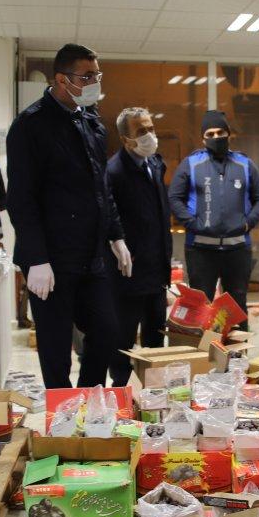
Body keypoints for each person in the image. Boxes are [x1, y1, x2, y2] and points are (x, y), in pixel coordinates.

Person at [6, 43, 133, 389]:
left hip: (91, 257)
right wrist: (36, 258)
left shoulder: (91, 122)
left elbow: (101, 187)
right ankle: (61, 417)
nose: (95, 81)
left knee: (107, 331)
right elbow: (21, 198)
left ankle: (88, 400)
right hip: (51, 261)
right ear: (62, 79)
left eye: (98, 74)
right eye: (87, 75)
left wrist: (116, 235)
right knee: (55, 347)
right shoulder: (30, 126)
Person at [168, 110, 259, 325]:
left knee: (236, 306)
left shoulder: (245, 164)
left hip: (237, 249)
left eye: (220, 132)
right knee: (200, 307)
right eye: (210, 134)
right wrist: (192, 224)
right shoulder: (191, 164)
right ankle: (202, 356)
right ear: (203, 138)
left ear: (228, 134)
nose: (215, 138)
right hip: (201, 250)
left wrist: (248, 222)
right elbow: (174, 197)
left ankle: (236, 356)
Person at [106, 107, 171, 386]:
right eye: (141, 131)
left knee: (156, 337)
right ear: (125, 139)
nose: (149, 135)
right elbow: (110, 215)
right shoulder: (115, 170)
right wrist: (117, 240)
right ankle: (120, 390)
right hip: (128, 271)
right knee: (122, 339)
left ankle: (153, 392)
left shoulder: (154, 163)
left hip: (157, 269)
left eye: (150, 128)